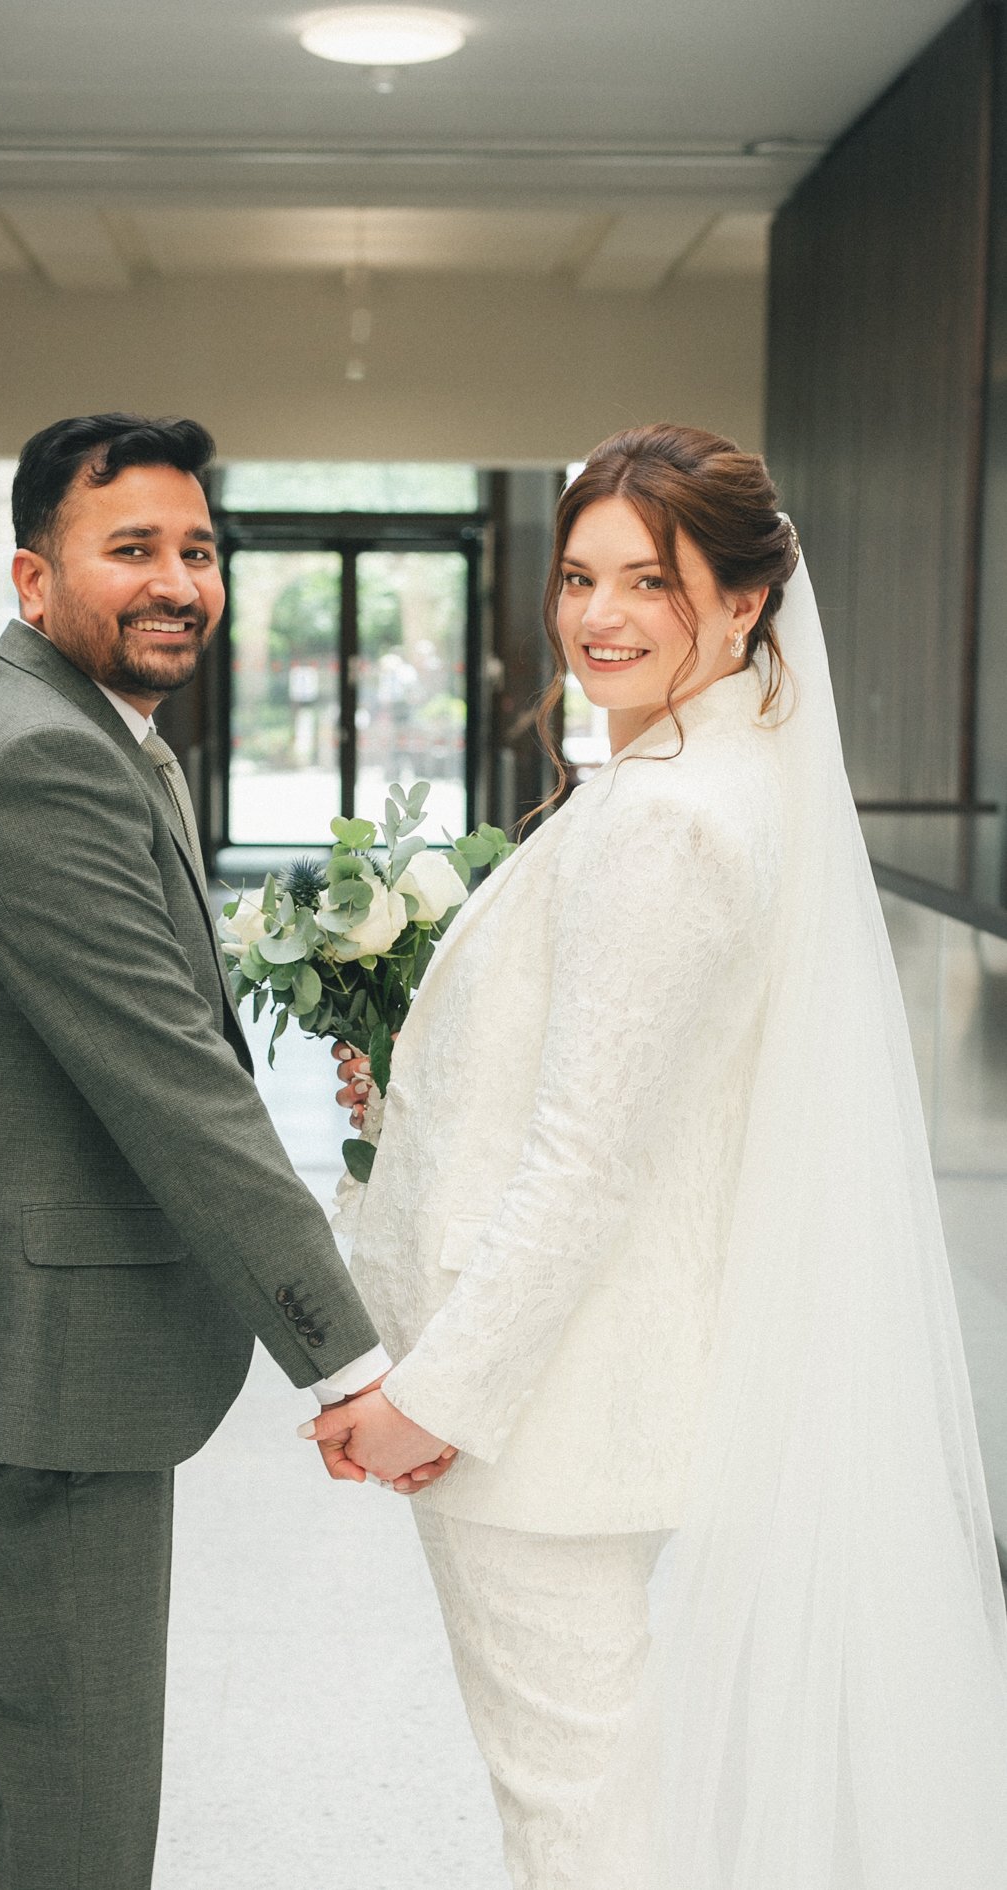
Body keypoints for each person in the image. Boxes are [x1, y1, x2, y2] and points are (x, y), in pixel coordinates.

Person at [306, 425, 1007, 1887]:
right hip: (585, 1392)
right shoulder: (704, 775)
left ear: (745, 603)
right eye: (578, 575)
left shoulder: (673, 820)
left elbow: (584, 1165)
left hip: (542, 1415)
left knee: (577, 1812)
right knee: (606, 1784)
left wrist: (432, 1398)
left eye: (651, 580)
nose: (600, 615)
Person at [0, 412, 443, 1890]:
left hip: (11, 1344)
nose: (178, 579)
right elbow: (176, 1089)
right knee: (82, 1789)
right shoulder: (42, 763)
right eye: (133, 550)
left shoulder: (88, 734)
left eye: (198, 549)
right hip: (40, 1361)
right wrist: (353, 1364)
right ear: (36, 578)